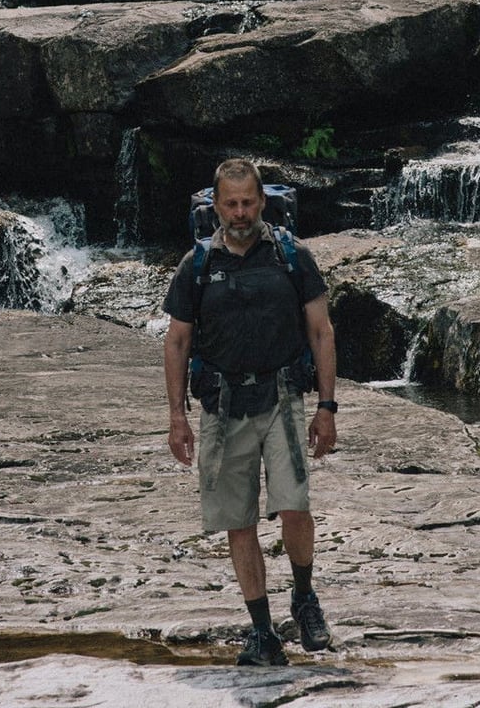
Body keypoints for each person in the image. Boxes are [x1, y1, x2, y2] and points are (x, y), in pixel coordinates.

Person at [162, 159, 339, 666]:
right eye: (230, 204)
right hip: (222, 407)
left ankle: (304, 597)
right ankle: (263, 632)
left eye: (248, 202)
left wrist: (326, 408)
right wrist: (177, 417)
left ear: (262, 202)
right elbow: (176, 342)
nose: (239, 213)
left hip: (282, 399)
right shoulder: (195, 266)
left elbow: (322, 333)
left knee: (294, 506)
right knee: (238, 522)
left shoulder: (292, 257)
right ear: (215, 206)